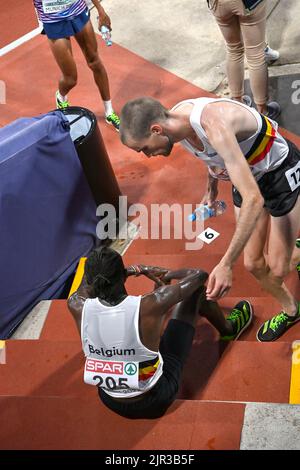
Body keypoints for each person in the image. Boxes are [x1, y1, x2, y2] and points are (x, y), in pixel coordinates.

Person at [119, 96, 300, 342]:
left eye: (144, 148)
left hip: (278, 173)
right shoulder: (176, 127)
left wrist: (225, 264)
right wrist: (211, 190)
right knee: (254, 264)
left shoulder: (214, 124)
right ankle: (291, 311)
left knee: (280, 268)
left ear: (156, 129)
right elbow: (212, 158)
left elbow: (254, 201)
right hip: (246, 177)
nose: (147, 156)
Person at [67, 247, 252, 419]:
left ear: (91, 283)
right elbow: (199, 276)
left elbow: (87, 280)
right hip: (155, 399)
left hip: (109, 399)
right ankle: (229, 329)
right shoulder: (150, 304)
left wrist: (120, 272)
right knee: (196, 293)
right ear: (123, 276)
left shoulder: (75, 304)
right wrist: (152, 271)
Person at [33, 0, 120, 130]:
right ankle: (61, 96)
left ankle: (109, 112)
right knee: (70, 79)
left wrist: (100, 10)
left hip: (78, 11)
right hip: (54, 21)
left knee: (95, 62)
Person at [207, 0, 280, 119]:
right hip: (247, 3)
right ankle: (263, 110)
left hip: (217, 3)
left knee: (233, 49)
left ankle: (238, 103)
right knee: (255, 55)